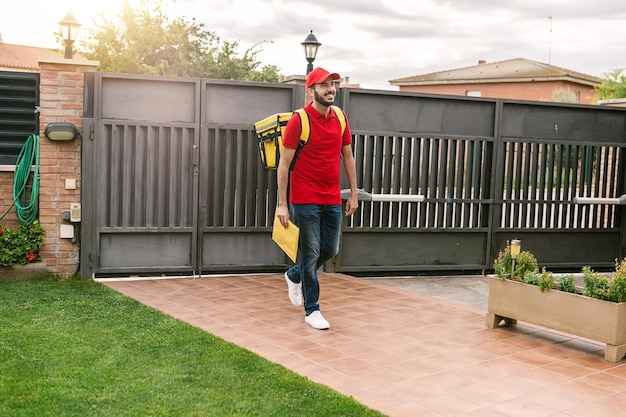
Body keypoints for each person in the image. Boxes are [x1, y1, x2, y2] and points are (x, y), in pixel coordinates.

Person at [276, 67, 359, 330]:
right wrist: (282, 204)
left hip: (332, 197)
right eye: (324, 85)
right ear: (310, 91)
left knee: (330, 249)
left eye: (332, 84)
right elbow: (284, 165)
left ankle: (294, 274)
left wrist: (354, 193)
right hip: (304, 198)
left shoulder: (340, 118)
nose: (330, 89)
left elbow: (347, 157)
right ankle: (312, 310)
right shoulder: (299, 121)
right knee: (310, 253)